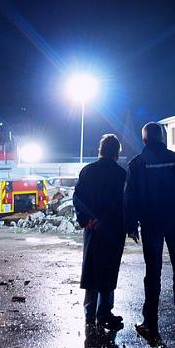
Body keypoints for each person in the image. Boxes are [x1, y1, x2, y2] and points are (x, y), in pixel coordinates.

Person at [124, 122, 175, 339]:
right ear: (163, 138)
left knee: (153, 273)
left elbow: (130, 197)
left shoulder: (137, 164)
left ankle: (150, 322)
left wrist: (131, 225)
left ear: (145, 140)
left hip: (151, 224)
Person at [74, 134, 128, 331]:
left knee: (91, 269)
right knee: (109, 269)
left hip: (93, 228)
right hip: (113, 228)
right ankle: (105, 312)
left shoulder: (87, 171)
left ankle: (89, 313)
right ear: (116, 152)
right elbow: (123, 203)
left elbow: (78, 198)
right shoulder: (121, 174)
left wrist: (88, 219)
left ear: (100, 149)